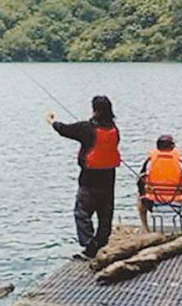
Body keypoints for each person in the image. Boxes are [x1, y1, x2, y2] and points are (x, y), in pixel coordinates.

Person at [46, 96, 120, 260]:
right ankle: (100, 244)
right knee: (105, 215)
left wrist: (51, 121)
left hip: (89, 178)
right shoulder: (114, 129)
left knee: (82, 213)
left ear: (94, 110)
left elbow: (64, 129)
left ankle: (89, 245)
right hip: (109, 178)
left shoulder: (86, 128)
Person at [137, 135, 182, 237]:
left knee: (139, 197)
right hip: (177, 203)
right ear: (172, 147)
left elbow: (140, 184)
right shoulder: (180, 164)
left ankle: (145, 228)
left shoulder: (149, 163)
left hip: (153, 204)